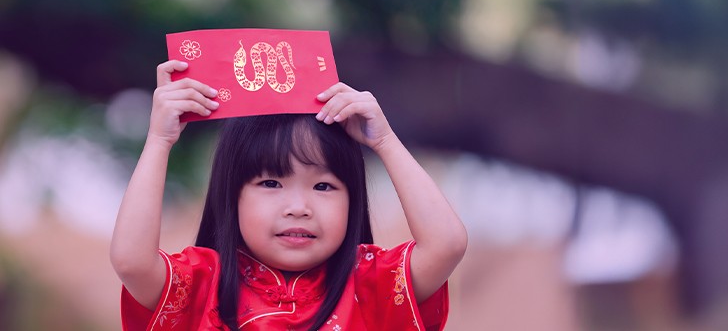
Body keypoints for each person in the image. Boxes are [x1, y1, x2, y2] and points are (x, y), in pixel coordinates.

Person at [110, 60, 468, 330]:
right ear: (230, 197)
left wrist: (385, 142)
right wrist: (159, 141)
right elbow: (131, 262)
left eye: (323, 186)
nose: (299, 208)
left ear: (353, 200)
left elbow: (446, 244)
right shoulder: (200, 285)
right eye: (270, 184)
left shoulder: (372, 284)